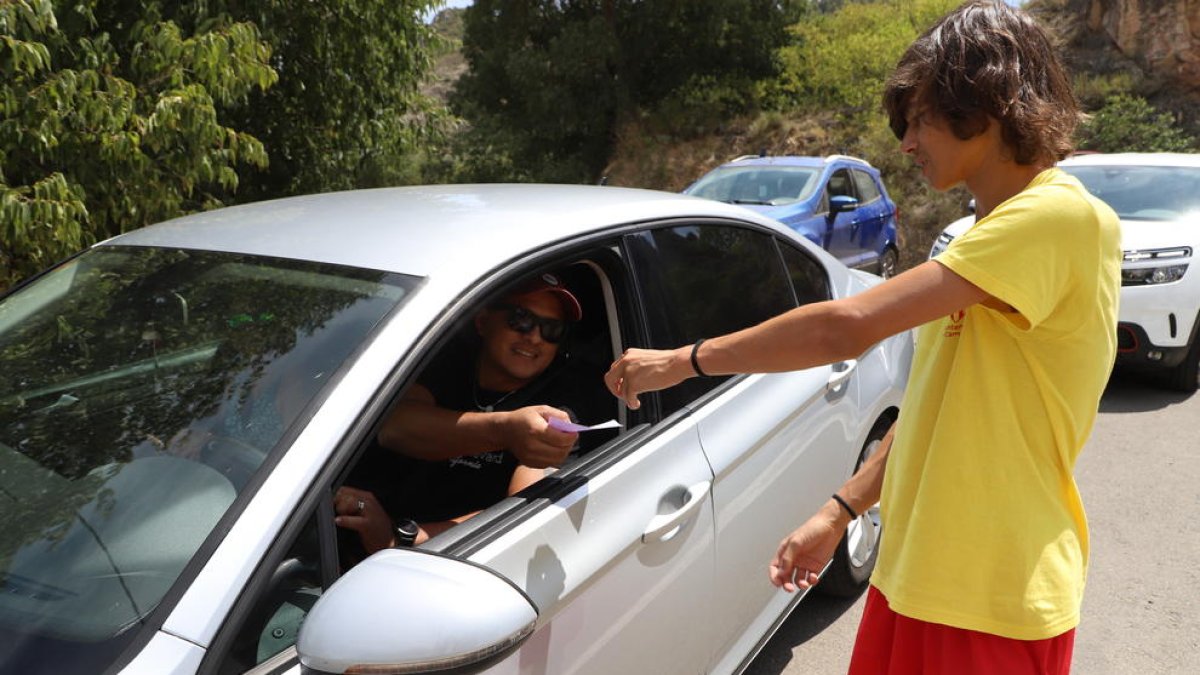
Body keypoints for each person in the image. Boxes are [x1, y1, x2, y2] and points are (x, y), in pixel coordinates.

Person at [603, 2, 1121, 673]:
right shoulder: (984, 238)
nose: (906, 142)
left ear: (986, 103)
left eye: (921, 118)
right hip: (921, 579)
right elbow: (936, 414)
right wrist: (841, 509)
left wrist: (685, 359)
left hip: (992, 592)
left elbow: (848, 324)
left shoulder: (1059, 216)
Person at [336, 272, 614, 556]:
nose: (534, 337)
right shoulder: (447, 363)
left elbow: (523, 508)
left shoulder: (561, 405)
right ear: (483, 322)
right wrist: (505, 430)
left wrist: (406, 539)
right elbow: (397, 427)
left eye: (551, 329)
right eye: (521, 319)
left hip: (457, 557)